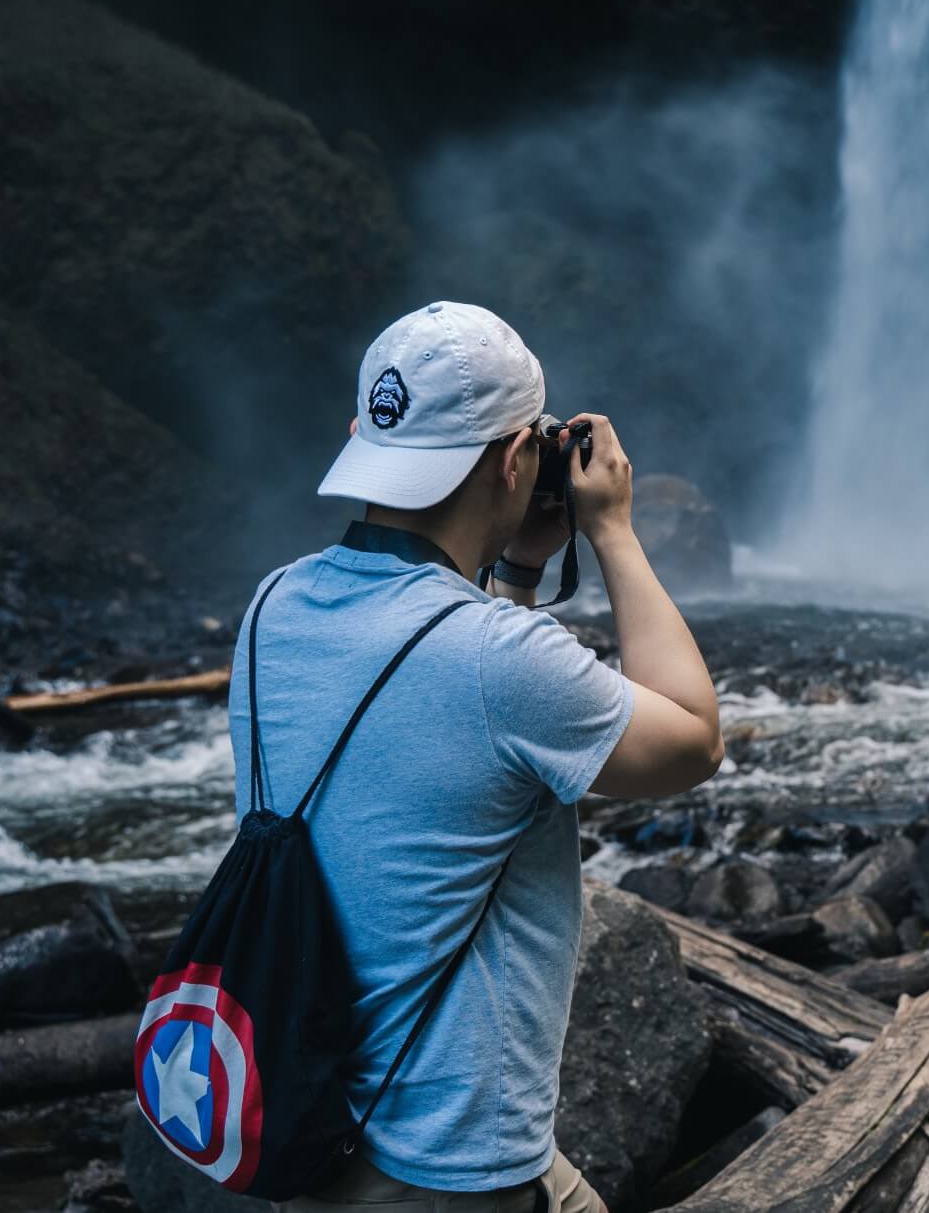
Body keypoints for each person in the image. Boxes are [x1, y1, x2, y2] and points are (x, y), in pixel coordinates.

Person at [229, 300, 723, 1213]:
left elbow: (464, 746)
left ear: (364, 435)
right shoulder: (499, 659)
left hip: (309, 1112)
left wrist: (520, 575)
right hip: (450, 1162)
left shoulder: (271, 607)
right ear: (514, 460)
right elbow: (693, 738)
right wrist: (612, 526)